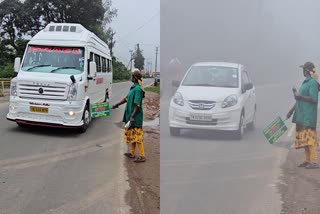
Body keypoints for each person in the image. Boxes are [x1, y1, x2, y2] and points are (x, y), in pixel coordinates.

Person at [287, 62, 319, 169]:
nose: (302, 72)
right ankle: (307, 160)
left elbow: (313, 99)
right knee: (304, 140)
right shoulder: (305, 82)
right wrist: (291, 110)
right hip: (301, 115)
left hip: (308, 116)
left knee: (310, 139)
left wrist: (300, 96)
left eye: (303, 70)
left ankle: (314, 161)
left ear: (306, 70)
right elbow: (299, 99)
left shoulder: (313, 83)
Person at [112, 69, 146, 163]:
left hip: (136, 117)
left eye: (131, 76)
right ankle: (132, 153)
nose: (130, 77)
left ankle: (142, 156)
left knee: (138, 136)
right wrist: (116, 104)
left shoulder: (138, 89)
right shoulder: (133, 88)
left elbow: (137, 104)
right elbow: (126, 99)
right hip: (131, 115)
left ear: (134, 78)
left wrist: (132, 116)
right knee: (133, 135)